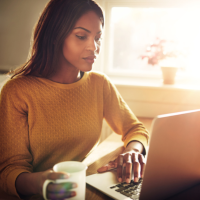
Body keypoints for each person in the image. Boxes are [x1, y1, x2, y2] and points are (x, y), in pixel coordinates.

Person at [0, 0, 149, 199]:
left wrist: (132, 152)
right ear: (55, 36)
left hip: (80, 189)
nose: (94, 46)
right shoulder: (17, 91)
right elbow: (9, 172)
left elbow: (135, 129)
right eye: (81, 36)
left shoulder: (100, 84)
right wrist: (42, 183)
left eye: (98, 37)